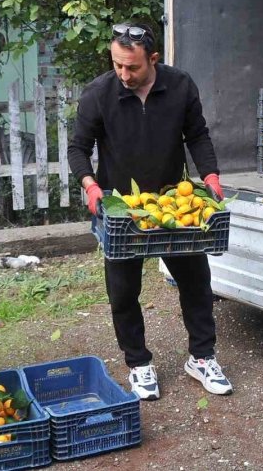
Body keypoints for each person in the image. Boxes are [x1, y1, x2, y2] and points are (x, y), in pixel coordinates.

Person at [67, 21, 232, 400]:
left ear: (153, 59)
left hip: (174, 203)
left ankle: (202, 358)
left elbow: (198, 135)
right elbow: (78, 148)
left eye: (132, 67)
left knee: (196, 283)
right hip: (123, 210)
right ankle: (139, 364)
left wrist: (211, 175)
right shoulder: (98, 93)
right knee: (123, 291)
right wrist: (90, 185)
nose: (124, 74)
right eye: (117, 65)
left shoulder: (180, 86)